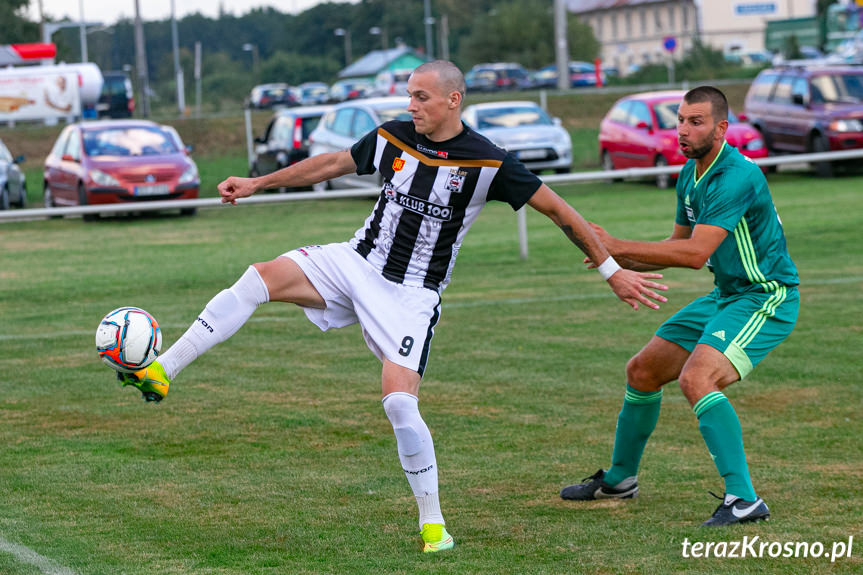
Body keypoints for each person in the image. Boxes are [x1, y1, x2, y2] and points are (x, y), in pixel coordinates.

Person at [116, 60, 667, 552]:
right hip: (355, 262)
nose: (411, 105)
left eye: (421, 96)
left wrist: (611, 271)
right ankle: (164, 370)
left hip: (410, 295)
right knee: (256, 279)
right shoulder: (393, 137)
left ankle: (433, 525)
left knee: (400, 405)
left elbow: (564, 214)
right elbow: (331, 163)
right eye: (408, 95)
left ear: (453, 100)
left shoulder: (491, 163)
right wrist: (260, 181)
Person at [560, 86, 799, 527]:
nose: (684, 131)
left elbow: (693, 255)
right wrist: (608, 255)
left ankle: (744, 500)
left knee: (698, 377)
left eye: (696, 122)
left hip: (766, 297)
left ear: (721, 127)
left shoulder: (735, 177)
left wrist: (615, 245)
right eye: (680, 121)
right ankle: (620, 479)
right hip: (726, 296)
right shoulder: (690, 174)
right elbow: (677, 245)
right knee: (642, 371)